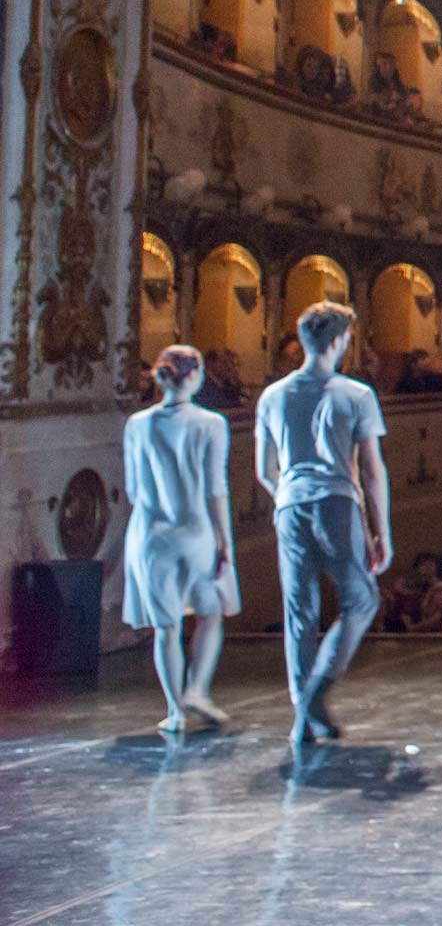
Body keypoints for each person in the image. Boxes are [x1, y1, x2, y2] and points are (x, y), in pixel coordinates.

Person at [255, 302, 392, 744]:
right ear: (336, 342)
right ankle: (317, 691)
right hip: (337, 503)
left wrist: (287, 498)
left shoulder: (272, 396)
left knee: (300, 612)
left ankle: (302, 719)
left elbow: (263, 468)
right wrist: (380, 531)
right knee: (361, 599)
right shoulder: (355, 395)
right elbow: (371, 470)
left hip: (290, 505)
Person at [123, 345, 238, 734]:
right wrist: (225, 538)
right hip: (195, 530)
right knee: (210, 612)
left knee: (166, 626)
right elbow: (215, 488)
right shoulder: (211, 423)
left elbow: (134, 488)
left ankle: (174, 710)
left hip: (150, 533)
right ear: (193, 375)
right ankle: (198, 689)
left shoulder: (137, 424)